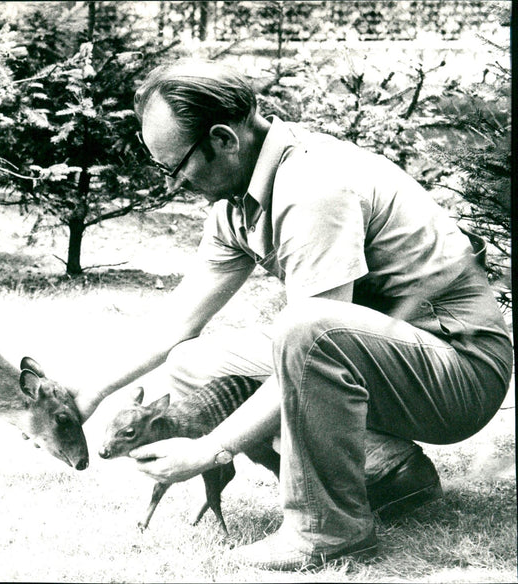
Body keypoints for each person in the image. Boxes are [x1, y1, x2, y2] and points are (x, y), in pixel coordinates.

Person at [72, 59, 513, 571]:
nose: (176, 183)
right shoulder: (240, 198)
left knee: (305, 327)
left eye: (177, 166)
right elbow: (178, 325)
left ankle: (327, 527)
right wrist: (90, 393)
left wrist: (211, 449)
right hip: (388, 353)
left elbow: (317, 338)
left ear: (223, 139)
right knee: (195, 363)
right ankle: (388, 473)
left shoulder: (313, 185)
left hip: (457, 372)